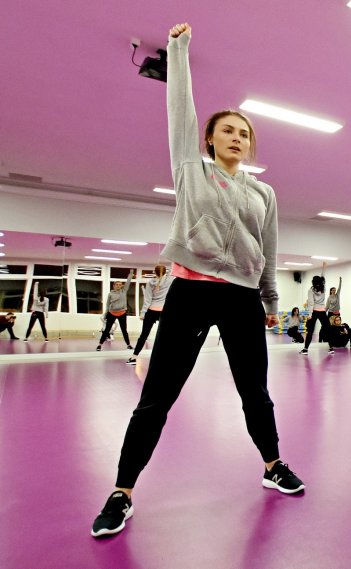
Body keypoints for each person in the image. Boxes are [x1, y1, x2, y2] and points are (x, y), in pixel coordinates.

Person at [91, 22, 303, 539]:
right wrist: (180, 52)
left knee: (256, 392)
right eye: (228, 129)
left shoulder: (265, 194)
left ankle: (273, 465)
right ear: (209, 138)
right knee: (157, 397)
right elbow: (179, 110)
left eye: (245, 132)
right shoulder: (192, 169)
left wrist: (270, 297)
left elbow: (269, 247)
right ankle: (122, 492)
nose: (237, 137)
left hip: (243, 299)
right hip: (192, 291)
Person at [127, 265, 173, 365]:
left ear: (154, 272)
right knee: (167, 335)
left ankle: (134, 357)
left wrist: (142, 313)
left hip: (151, 310)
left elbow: (147, 300)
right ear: (166, 272)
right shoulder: (170, 280)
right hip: (164, 311)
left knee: (144, 335)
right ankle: (168, 358)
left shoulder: (150, 283)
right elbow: (173, 271)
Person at [300, 265, 334, 355]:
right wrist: (324, 267)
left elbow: (311, 303)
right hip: (322, 311)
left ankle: (305, 349)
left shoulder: (310, 290)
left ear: (313, 282)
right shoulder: (324, 288)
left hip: (314, 311)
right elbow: (323, 277)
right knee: (327, 330)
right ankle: (331, 348)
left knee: (310, 331)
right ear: (321, 282)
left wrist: (310, 315)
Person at [97, 271, 134, 351]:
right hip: (112, 313)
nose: (118, 286)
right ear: (114, 285)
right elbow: (107, 304)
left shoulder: (124, 291)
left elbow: (128, 282)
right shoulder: (110, 294)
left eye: (120, 285)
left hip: (122, 313)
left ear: (122, 286)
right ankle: (99, 345)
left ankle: (128, 345)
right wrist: (106, 313)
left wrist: (130, 274)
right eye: (117, 284)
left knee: (124, 330)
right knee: (107, 330)